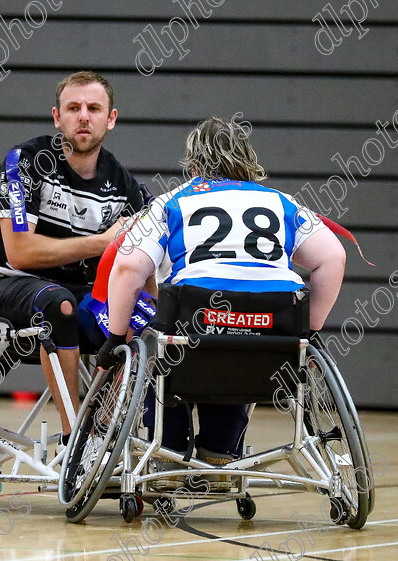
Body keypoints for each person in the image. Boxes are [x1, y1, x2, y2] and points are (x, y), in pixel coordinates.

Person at [97, 116, 346, 468]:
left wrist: (116, 335)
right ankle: (220, 452)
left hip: (194, 324)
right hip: (271, 332)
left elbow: (127, 268)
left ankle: (167, 450)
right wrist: (312, 329)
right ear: (247, 158)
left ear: (194, 163)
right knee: (241, 346)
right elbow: (334, 258)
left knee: (167, 346)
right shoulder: (283, 202)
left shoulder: (172, 202)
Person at [0, 71, 147, 445]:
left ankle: (106, 431)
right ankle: (77, 441)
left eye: (94, 108)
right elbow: (20, 252)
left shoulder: (124, 185)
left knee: (141, 310)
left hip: (78, 292)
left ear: (110, 119)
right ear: (57, 117)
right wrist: (101, 242)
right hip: (6, 285)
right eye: (73, 108)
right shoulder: (24, 164)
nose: (83, 116)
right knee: (60, 304)